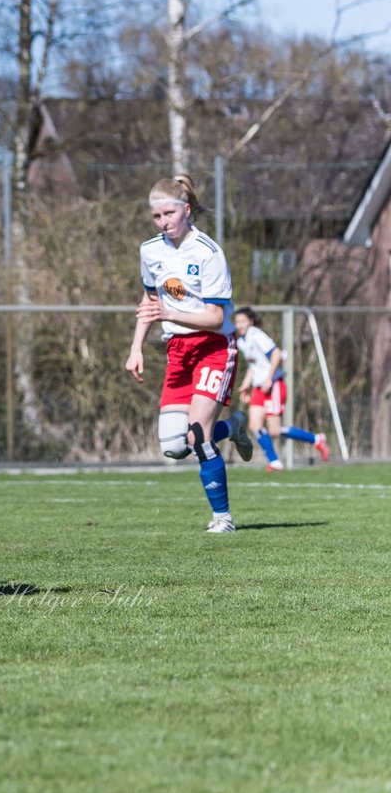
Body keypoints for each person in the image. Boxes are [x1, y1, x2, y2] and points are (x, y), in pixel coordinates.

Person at [126, 175, 255, 534]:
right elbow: (150, 301)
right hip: (177, 350)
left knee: (198, 435)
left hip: (214, 347)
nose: (163, 222)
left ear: (187, 210)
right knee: (173, 447)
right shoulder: (150, 251)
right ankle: (236, 426)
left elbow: (215, 318)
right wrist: (136, 347)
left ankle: (222, 518)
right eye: (156, 216)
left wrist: (170, 314)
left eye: (169, 213)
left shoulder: (209, 253)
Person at [232, 306, 330, 471]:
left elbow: (276, 353)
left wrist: (269, 378)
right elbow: (254, 365)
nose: (239, 324)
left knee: (275, 430)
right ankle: (274, 461)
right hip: (258, 387)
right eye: (237, 322)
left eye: (242, 321)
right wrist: (245, 384)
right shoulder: (242, 340)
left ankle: (316, 439)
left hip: (273, 385)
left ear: (250, 321)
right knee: (255, 425)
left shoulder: (256, 334)